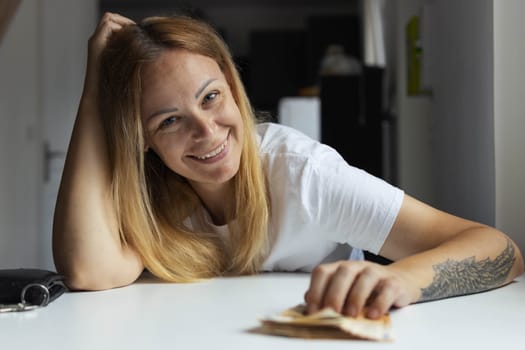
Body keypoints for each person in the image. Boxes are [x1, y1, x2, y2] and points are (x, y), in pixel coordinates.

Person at [53, 13, 524, 320]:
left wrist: (397, 277)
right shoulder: (150, 194)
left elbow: (499, 248)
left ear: (234, 89)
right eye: (170, 120)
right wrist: (95, 91)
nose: (207, 131)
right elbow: (86, 271)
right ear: (144, 139)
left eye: (211, 97)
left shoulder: (303, 174)